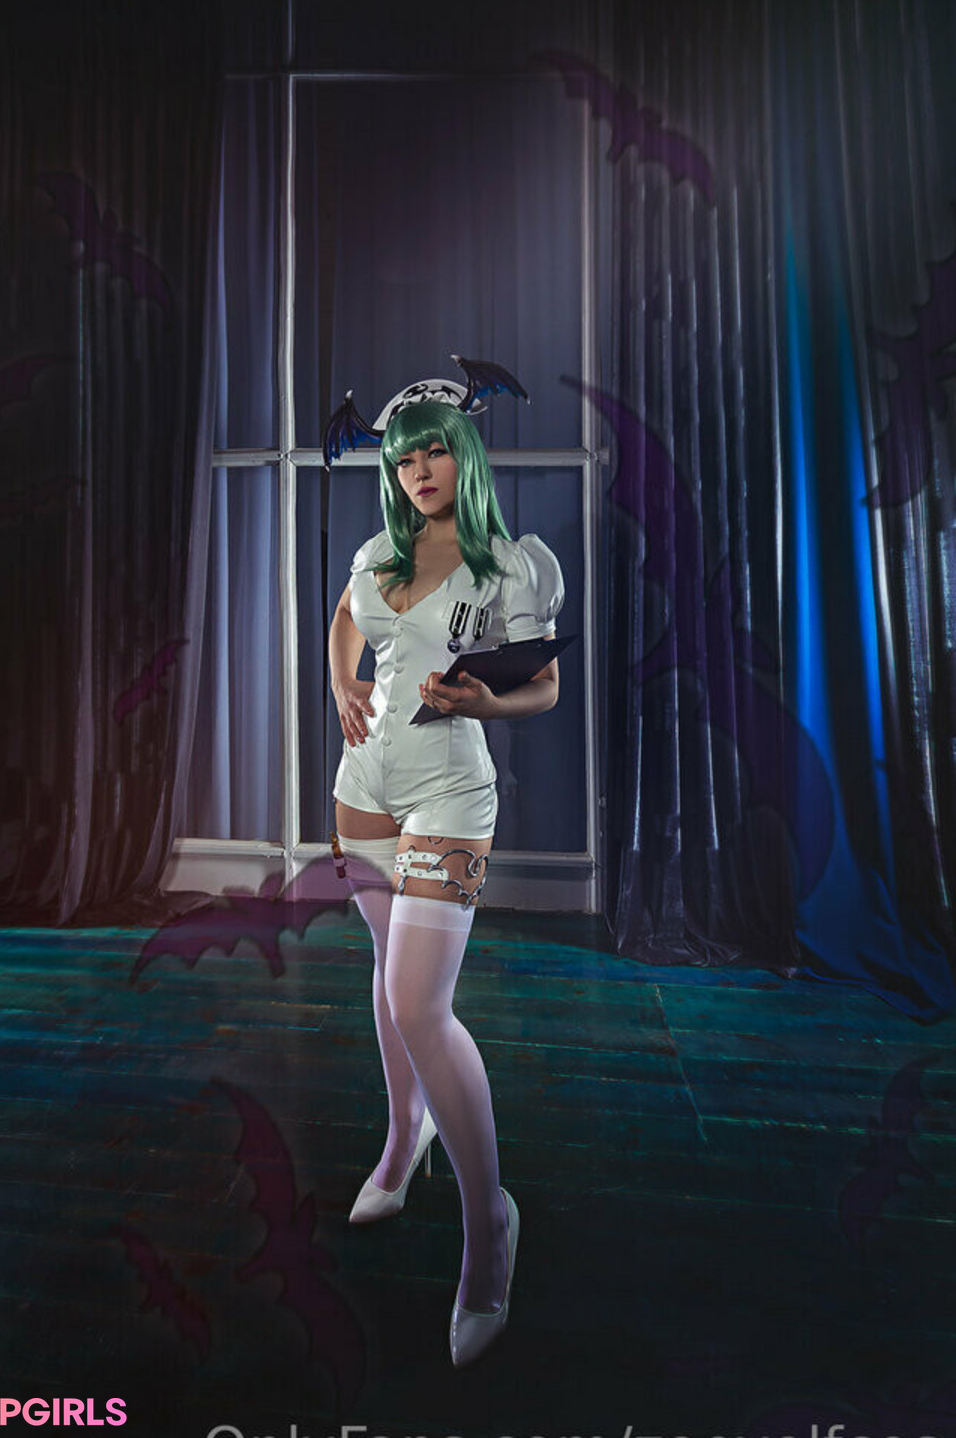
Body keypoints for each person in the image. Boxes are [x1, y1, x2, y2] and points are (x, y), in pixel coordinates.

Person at [327, 390, 564, 1367]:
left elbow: (543, 684)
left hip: (451, 792)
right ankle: (403, 1138)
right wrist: (342, 683)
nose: (417, 471)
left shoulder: (511, 562)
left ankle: (489, 1224)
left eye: (433, 452)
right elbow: (345, 619)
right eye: (402, 459)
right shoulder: (377, 559)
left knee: (421, 1005)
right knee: (389, 983)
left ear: (464, 455)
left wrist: (482, 703)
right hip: (364, 790)